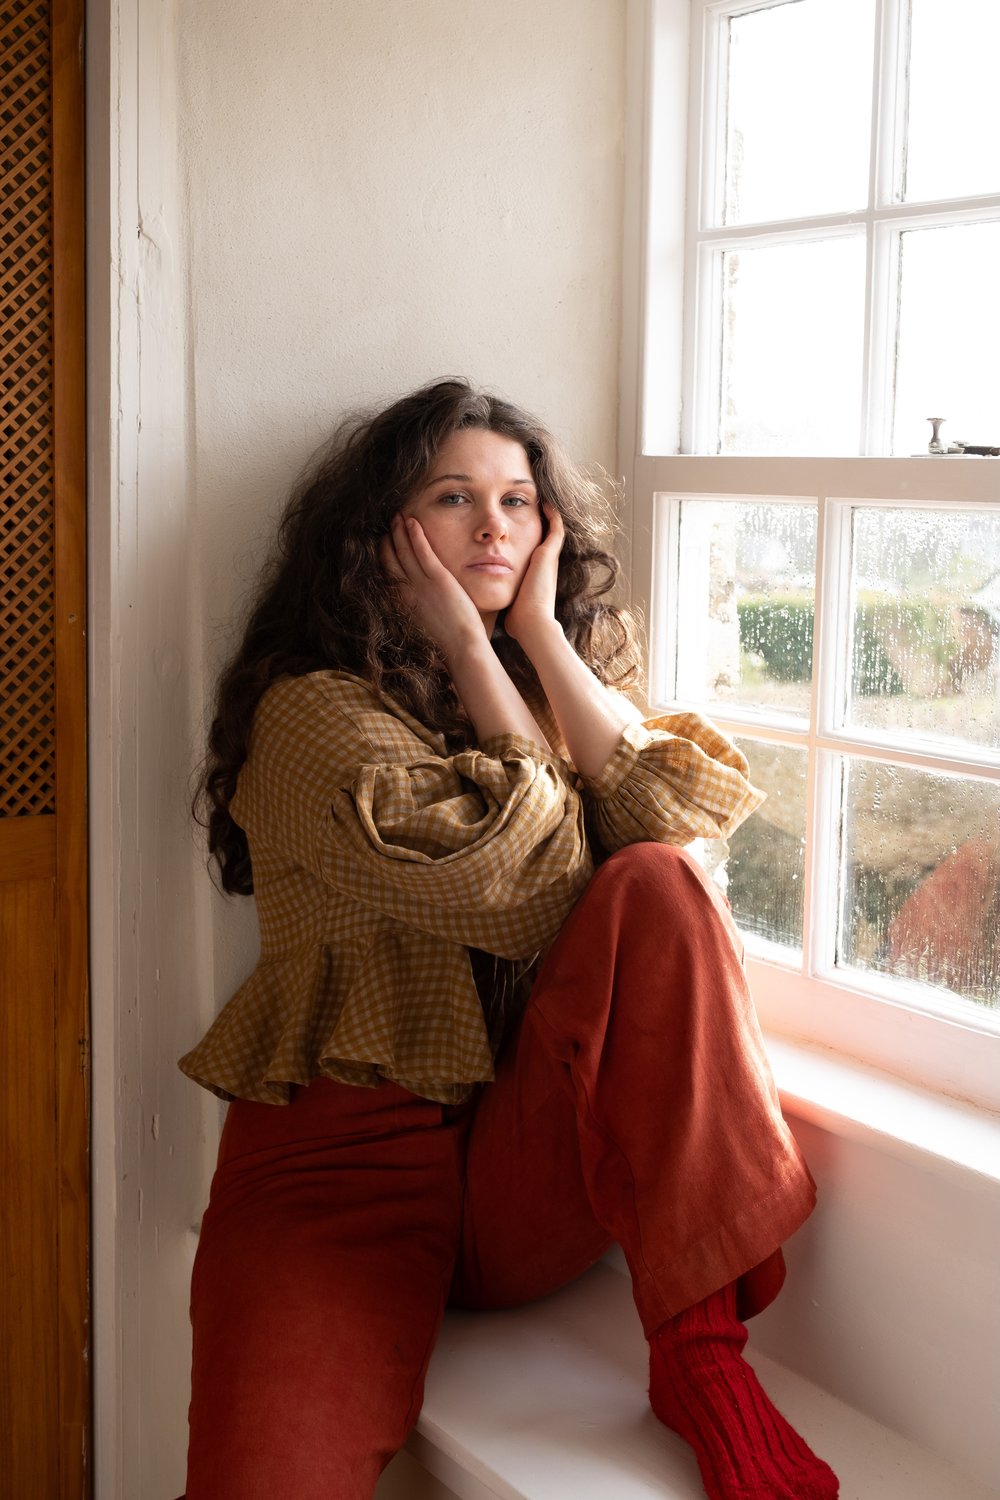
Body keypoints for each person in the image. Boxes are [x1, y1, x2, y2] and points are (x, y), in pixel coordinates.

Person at [180, 379, 839, 1500]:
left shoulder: (565, 659)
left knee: (660, 881)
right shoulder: (310, 715)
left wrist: (533, 636)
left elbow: (676, 844)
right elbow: (522, 888)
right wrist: (477, 654)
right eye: (453, 497)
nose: (496, 527)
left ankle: (699, 1360)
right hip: (337, 1166)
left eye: (520, 501)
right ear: (380, 533)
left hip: (519, 1157)